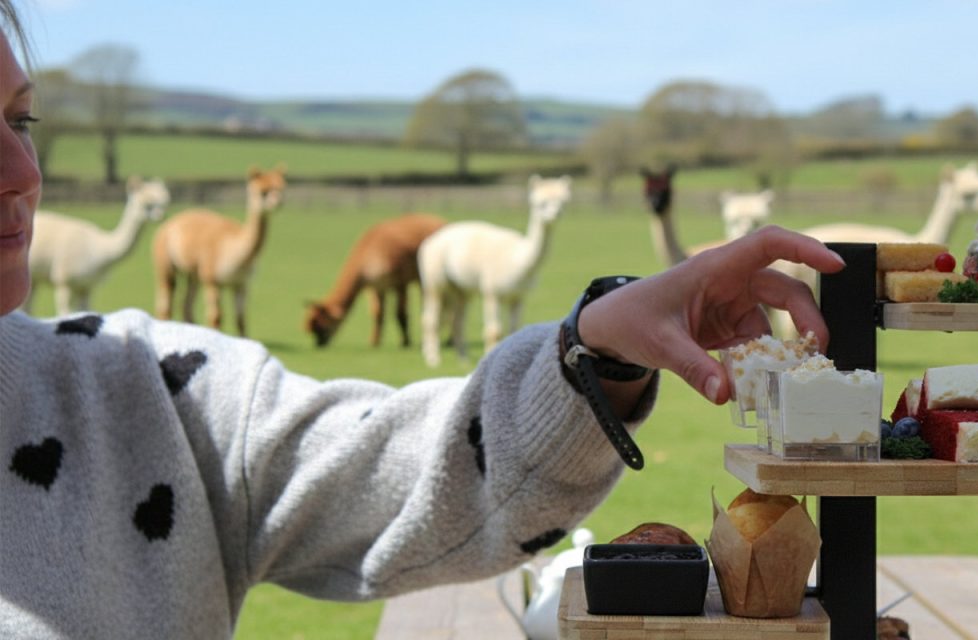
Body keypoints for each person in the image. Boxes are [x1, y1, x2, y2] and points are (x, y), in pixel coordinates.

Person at [0, 2, 845, 636]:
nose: (19, 172)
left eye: (20, 120)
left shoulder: (145, 396)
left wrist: (593, 348)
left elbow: (413, 475)